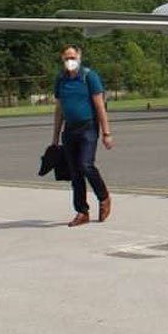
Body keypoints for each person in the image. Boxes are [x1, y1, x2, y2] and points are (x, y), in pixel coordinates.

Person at [50, 46, 113, 227]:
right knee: (75, 172)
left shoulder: (89, 77)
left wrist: (106, 133)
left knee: (86, 165)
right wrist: (55, 137)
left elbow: (100, 106)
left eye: (72, 57)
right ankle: (81, 211)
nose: (69, 60)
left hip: (88, 127)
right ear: (62, 58)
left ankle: (104, 197)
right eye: (66, 58)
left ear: (79, 57)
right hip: (70, 129)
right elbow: (59, 109)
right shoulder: (61, 79)